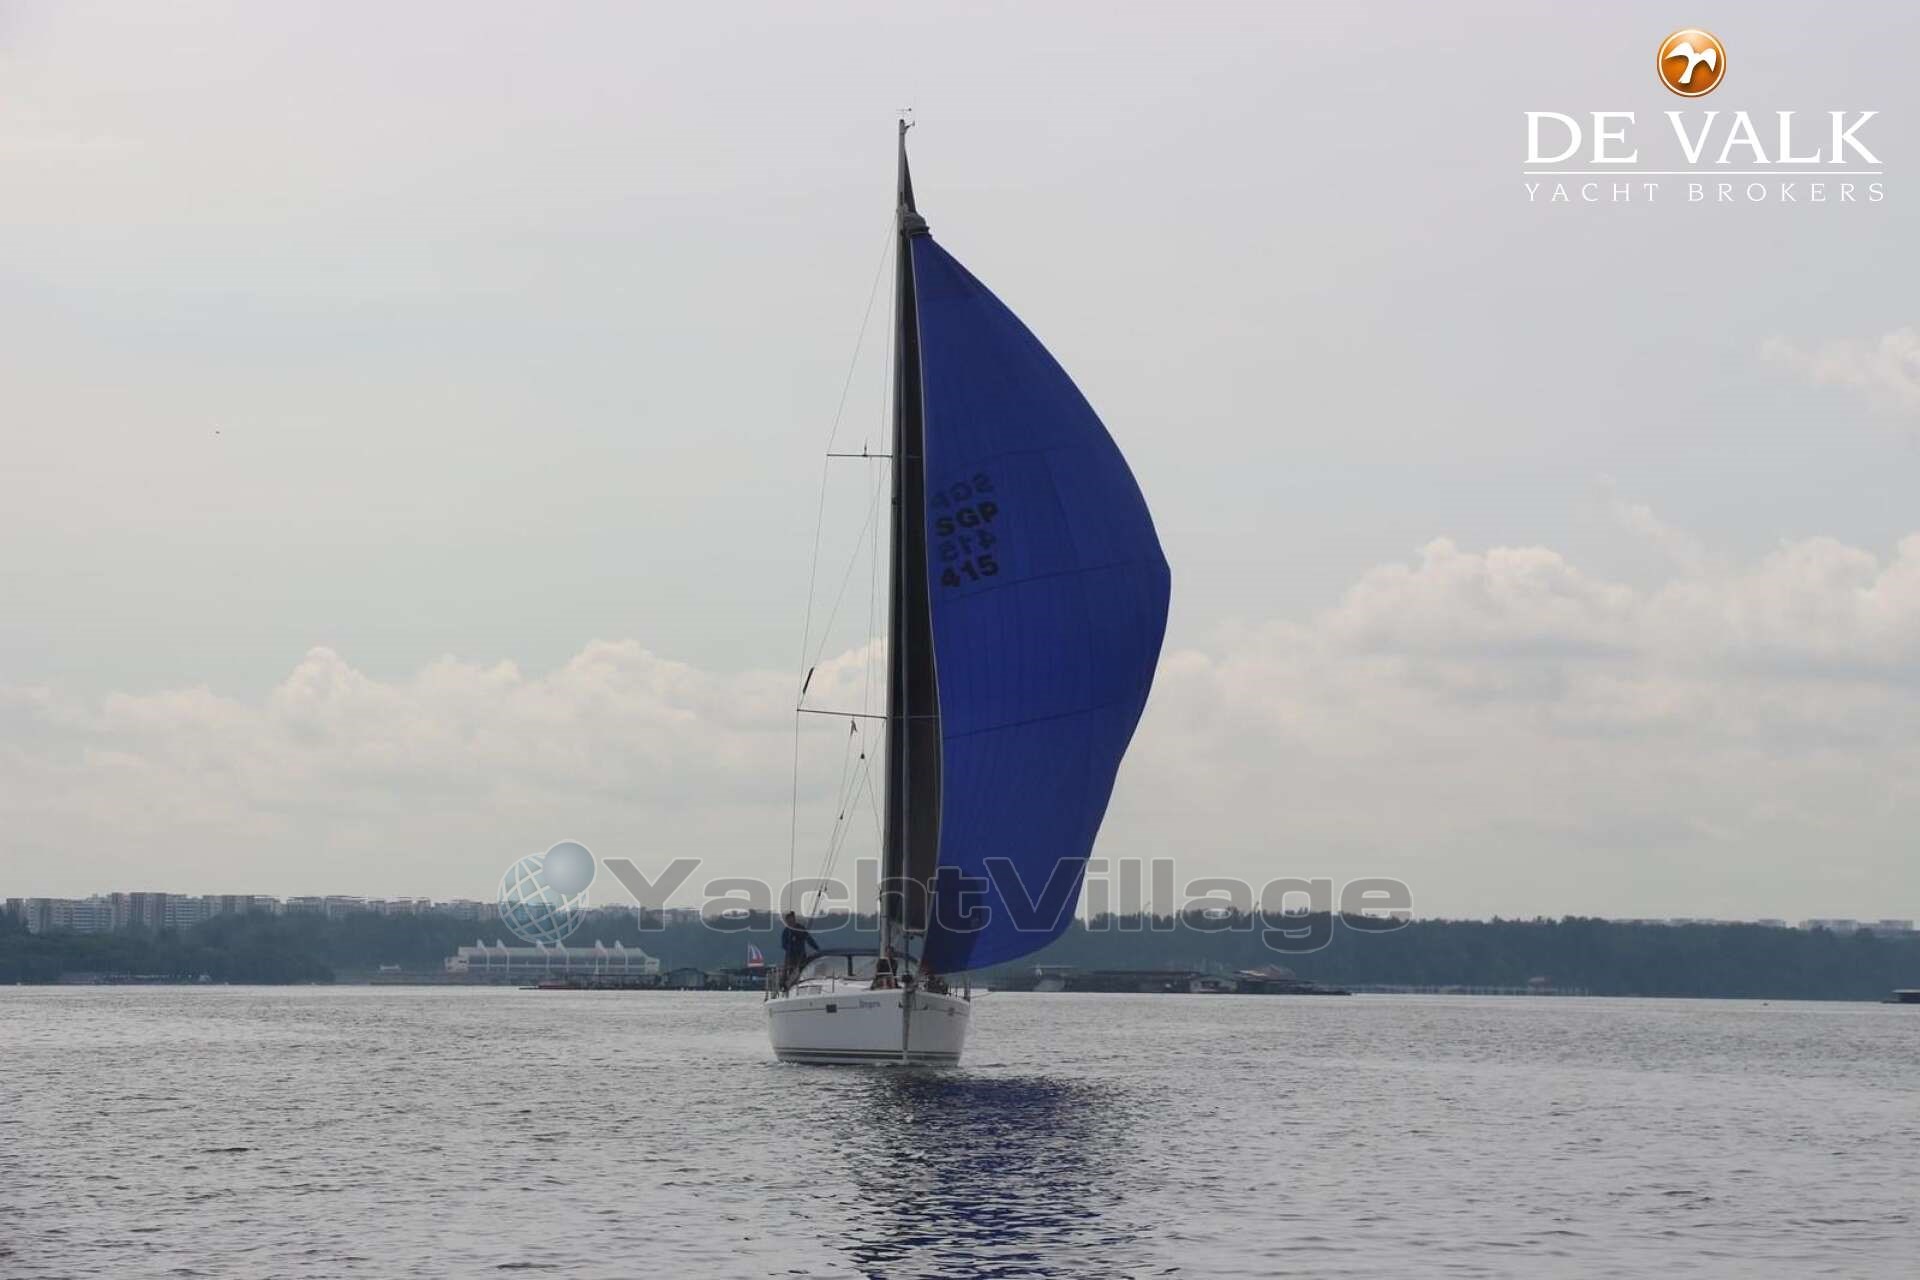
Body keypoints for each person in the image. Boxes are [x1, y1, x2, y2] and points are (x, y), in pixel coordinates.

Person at [778, 911, 820, 990]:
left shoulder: (801, 929)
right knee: (790, 971)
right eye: (788, 921)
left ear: (794, 919)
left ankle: (802, 985)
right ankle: (788, 986)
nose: (790, 922)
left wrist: (817, 948)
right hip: (791, 956)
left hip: (801, 954)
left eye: (791, 920)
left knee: (803, 970)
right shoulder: (786, 931)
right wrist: (790, 946)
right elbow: (783, 945)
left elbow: (809, 939)